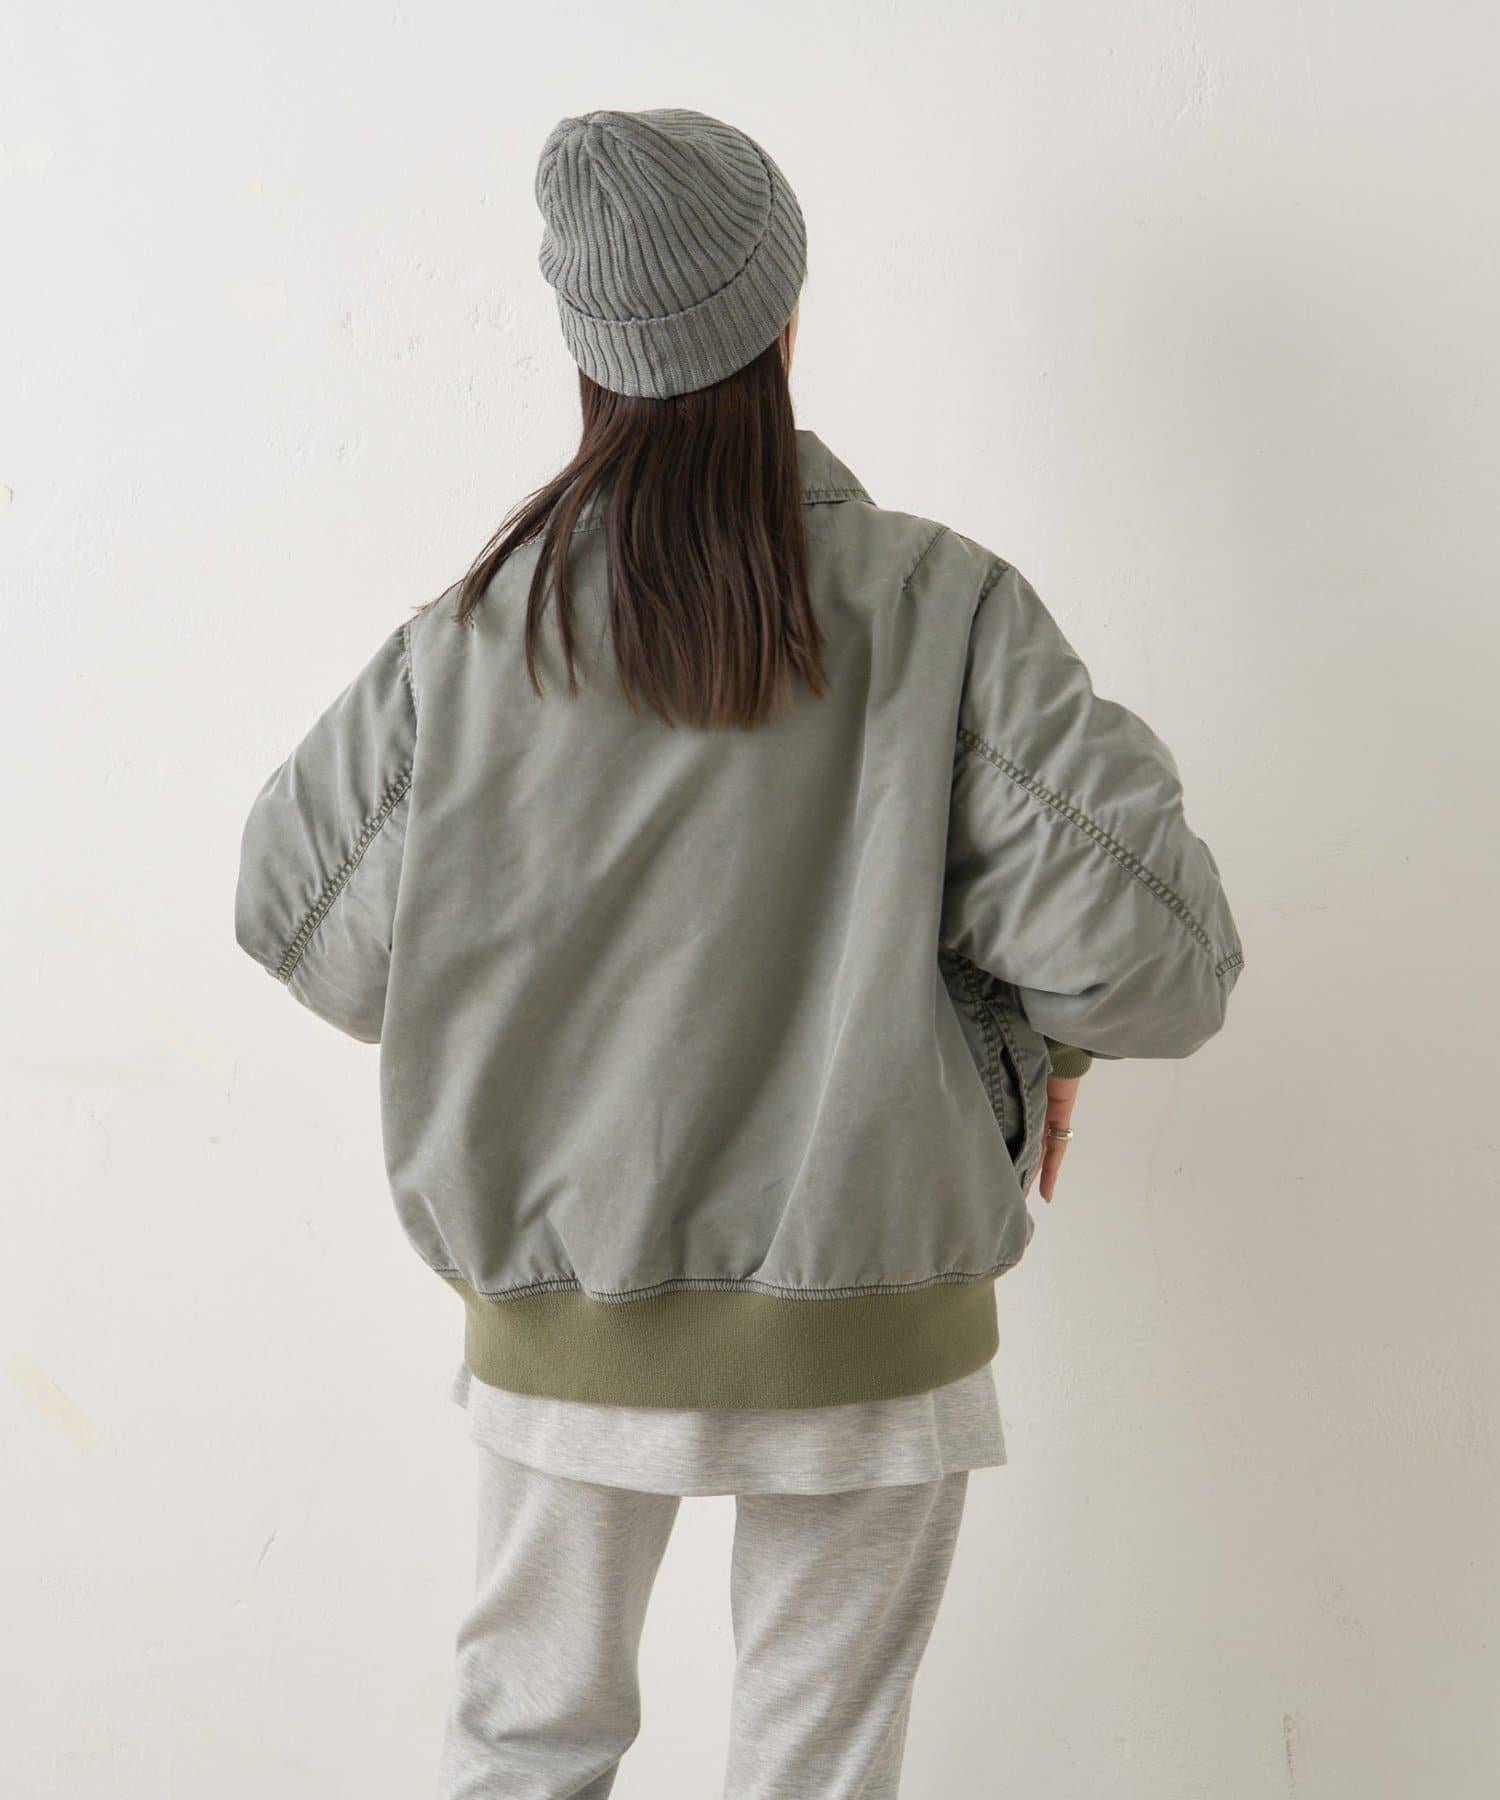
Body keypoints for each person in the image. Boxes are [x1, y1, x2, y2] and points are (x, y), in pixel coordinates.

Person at [234, 106, 1244, 1799]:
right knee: (816, 1767)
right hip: (871, 1314)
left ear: (586, 350)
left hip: (560, 1304)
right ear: (785, 317)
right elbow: (1156, 955)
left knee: (525, 1739)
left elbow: (302, 921)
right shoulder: (943, 608)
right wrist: (1038, 1043)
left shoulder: (471, 641)